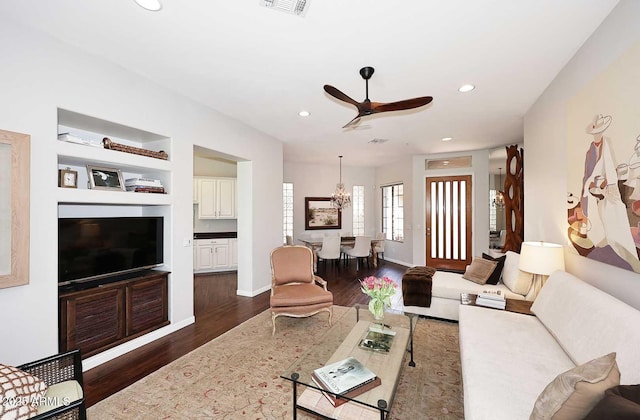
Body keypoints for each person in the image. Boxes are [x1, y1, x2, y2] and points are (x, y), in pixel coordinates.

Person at [579, 114, 640, 272]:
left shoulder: (606, 145)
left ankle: (626, 253)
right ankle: (606, 242)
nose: (596, 134)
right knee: (603, 217)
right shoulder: (591, 149)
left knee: (614, 216)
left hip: (608, 190)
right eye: (595, 131)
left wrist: (604, 185)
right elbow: (589, 173)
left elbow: (609, 170)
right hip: (598, 190)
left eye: (598, 131)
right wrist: (590, 186)